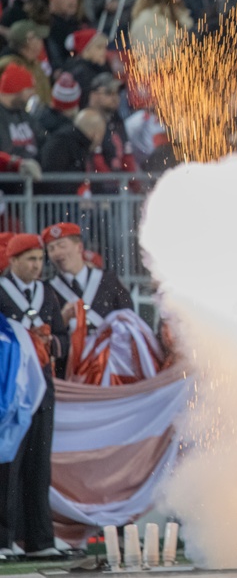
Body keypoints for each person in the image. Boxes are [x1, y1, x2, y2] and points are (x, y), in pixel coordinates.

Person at [0, 234, 63, 558]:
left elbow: (62, 337)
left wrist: (53, 344)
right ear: (12, 262)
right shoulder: (1, 292)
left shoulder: (47, 293)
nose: (37, 266)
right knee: (7, 464)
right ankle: (3, 540)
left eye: (40, 260)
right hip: (9, 391)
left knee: (39, 466)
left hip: (42, 389)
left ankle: (41, 540)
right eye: (30, 259)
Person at [42, 222, 133, 336]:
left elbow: (129, 317)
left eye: (62, 246)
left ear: (79, 247)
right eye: (51, 249)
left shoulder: (108, 280)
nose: (57, 253)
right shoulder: (47, 289)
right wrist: (62, 320)